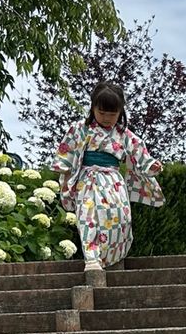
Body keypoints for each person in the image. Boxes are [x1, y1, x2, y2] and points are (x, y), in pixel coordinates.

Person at [53, 82, 166, 271]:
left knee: (120, 219)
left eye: (112, 114)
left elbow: (139, 153)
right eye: (102, 112)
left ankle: (113, 258)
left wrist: (151, 165)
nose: (106, 118)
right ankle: (92, 258)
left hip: (114, 183)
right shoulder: (80, 128)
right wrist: (64, 171)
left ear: (120, 112)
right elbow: (66, 154)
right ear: (93, 108)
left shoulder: (124, 134)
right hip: (87, 180)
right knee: (88, 217)